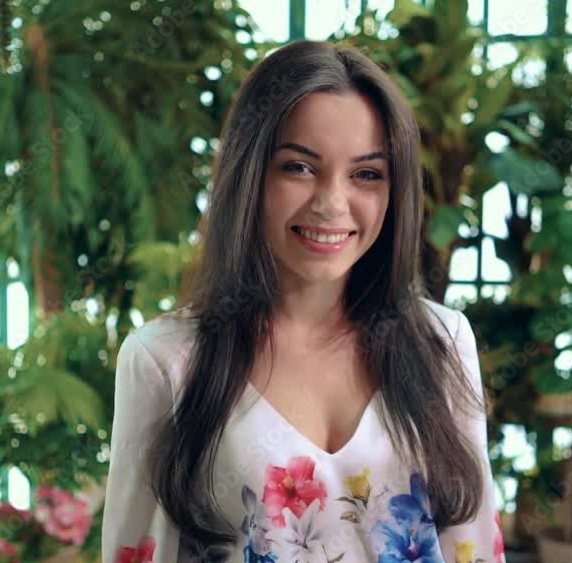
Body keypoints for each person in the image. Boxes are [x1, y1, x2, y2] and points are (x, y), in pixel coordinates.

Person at [101, 40, 506, 563]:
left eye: (366, 174)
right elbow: (135, 551)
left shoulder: (441, 342)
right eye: (299, 167)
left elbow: (472, 545)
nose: (332, 203)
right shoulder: (165, 361)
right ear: (250, 175)